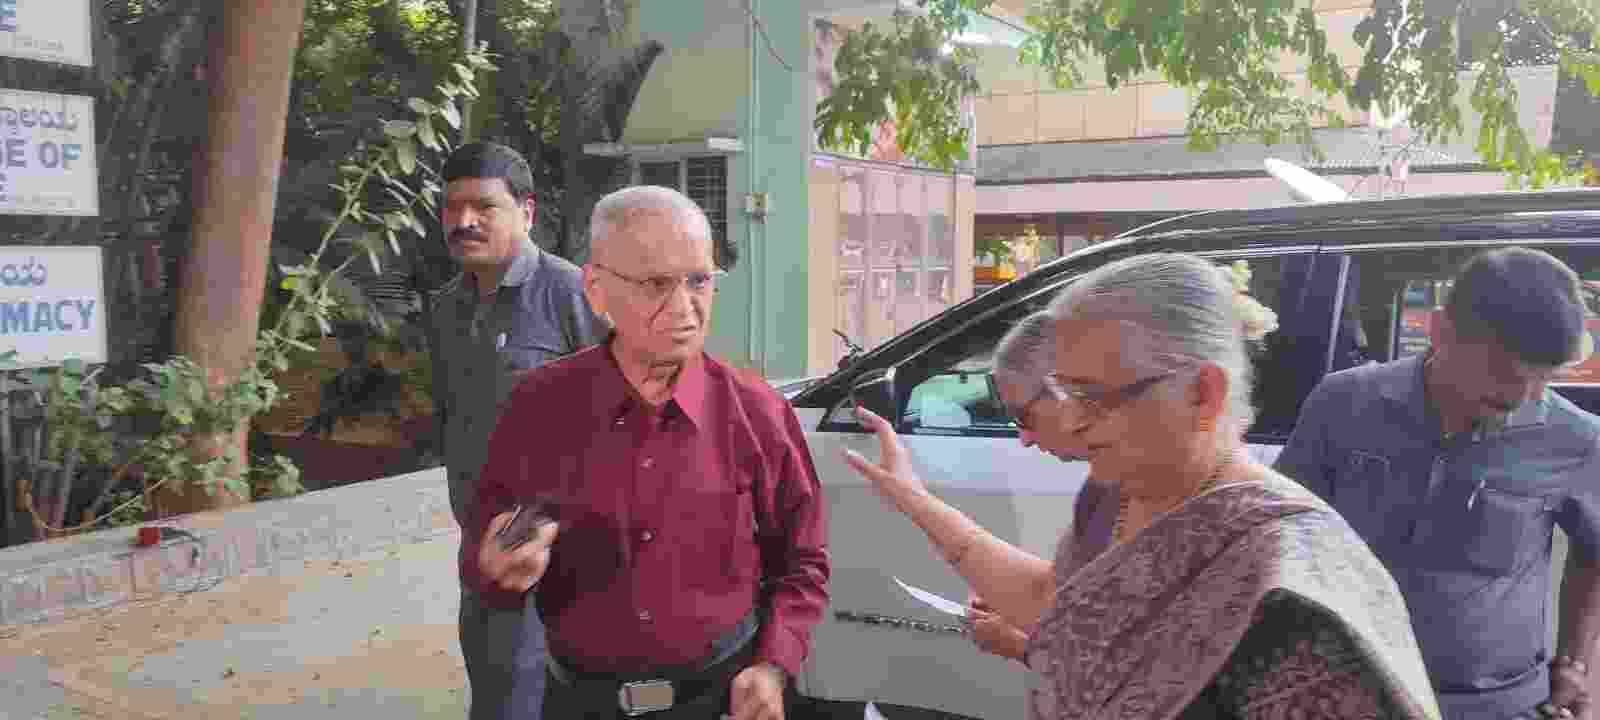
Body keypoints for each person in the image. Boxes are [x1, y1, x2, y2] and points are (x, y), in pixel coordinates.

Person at [843, 252, 1442, 719]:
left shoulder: (1292, 597)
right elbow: (1054, 601)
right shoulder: (1116, 490)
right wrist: (912, 497)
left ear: (1202, 393)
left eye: (1095, 397)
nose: (1073, 423)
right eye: (1067, 394)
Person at [463, 185, 831, 720]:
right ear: (595, 290)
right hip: (579, 704)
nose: (685, 308)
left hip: (718, 701)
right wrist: (495, 571)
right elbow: (486, 543)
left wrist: (773, 666)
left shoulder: (758, 413)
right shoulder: (538, 406)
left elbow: (803, 559)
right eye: (657, 284)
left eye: (700, 280)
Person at [1276, 247, 1600, 720]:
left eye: (1543, 380)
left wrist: (1576, 663)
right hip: (1348, 692)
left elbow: (1595, 550)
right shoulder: (1343, 404)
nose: (1520, 398)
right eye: (1504, 374)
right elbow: (1285, 531)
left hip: (1498, 707)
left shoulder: (1577, 440)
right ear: (1440, 331)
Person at [427, 141, 606, 720]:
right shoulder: (446, 309)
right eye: (452, 207)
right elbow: (453, 417)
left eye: (483, 205)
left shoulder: (572, 293)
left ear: (527, 212)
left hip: (560, 554)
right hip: (480, 546)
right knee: (493, 694)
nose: (464, 221)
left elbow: (623, 417)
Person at [965, 310, 1109, 663]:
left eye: (1023, 417)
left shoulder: (1124, 488)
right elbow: (1060, 595)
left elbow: (1124, 663)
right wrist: (1016, 604)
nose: (1024, 439)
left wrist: (1023, 646)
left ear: (1066, 392)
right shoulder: (1102, 485)